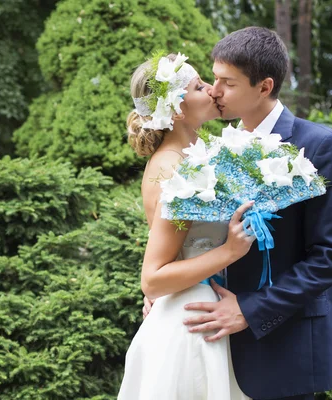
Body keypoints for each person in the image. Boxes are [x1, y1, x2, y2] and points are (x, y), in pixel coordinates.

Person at [144, 27, 332, 400]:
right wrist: (167, 287)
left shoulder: (320, 146)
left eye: (227, 82)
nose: (214, 91)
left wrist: (250, 309)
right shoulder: (208, 152)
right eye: (212, 79)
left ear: (264, 86)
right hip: (210, 341)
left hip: (284, 345)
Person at [117, 53, 255, 399]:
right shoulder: (172, 170)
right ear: (176, 108)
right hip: (190, 322)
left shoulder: (198, 155)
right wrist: (230, 251)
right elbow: (153, 277)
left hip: (210, 309)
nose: (212, 89)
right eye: (199, 86)